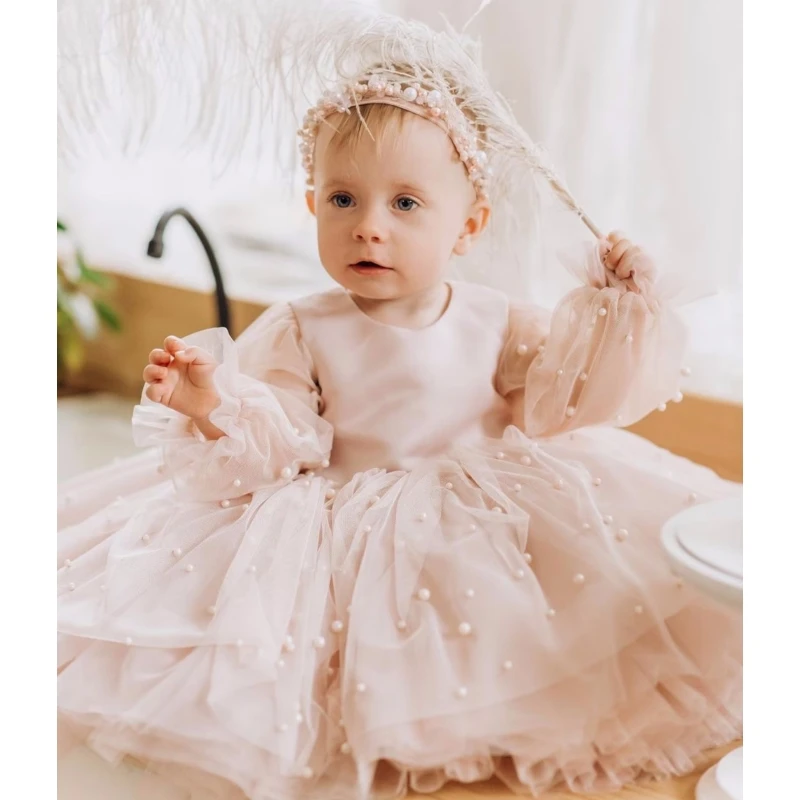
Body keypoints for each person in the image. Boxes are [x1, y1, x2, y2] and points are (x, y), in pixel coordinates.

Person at [57, 8, 742, 799]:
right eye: (343, 200)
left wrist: (621, 308)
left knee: (545, 619)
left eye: (406, 204)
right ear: (313, 205)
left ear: (469, 226)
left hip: (483, 508)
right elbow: (279, 444)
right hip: (342, 508)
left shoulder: (500, 320)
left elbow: (572, 402)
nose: (369, 229)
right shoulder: (301, 327)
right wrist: (212, 401)